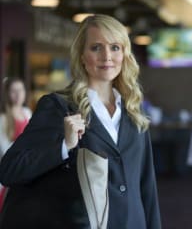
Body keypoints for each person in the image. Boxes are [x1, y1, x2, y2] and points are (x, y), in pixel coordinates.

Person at [0, 14, 161, 229]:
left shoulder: (134, 110)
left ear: (124, 54)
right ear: (82, 56)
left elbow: (146, 187)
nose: (107, 56)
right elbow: (10, 169)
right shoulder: (58, 107)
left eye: (115, 47)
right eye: (96, 47)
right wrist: (63, 146)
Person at [0, 77, 32, 212]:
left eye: (20, 90)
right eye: (14, 91)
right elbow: (4, 150)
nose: (18, 94)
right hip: (13, 171)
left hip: (28, 168)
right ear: (7, 94)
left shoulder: (27, 112)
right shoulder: (3, 119)